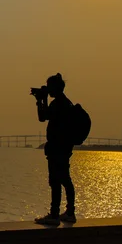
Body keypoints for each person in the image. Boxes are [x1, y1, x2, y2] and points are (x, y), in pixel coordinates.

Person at [32, 73, 77, 225]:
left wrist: (40, 100)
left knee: (55, 181)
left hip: (57, 149)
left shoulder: (58, 104)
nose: (47, 89)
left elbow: (42, 117)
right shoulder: (66, 103)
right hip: (64, 148)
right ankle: (70, 212)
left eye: (49, 86)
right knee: (65, 180)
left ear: (56, 88)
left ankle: (54, 214)